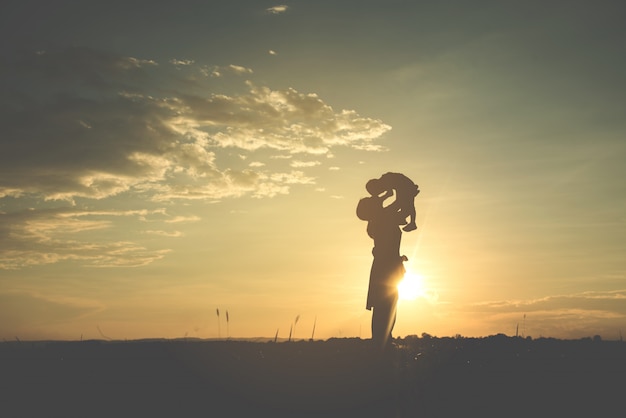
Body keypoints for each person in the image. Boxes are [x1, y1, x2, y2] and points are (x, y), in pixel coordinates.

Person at [357, 192, 408, 352]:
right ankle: (382, 343)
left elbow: (389, 203)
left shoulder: (380, 219)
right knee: (385, 305)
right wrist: (406, 192)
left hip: (387, 265)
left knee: (386, 304)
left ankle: (382, 341)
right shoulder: (383, 218)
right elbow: (399, 203)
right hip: (386, 266)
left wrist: (385, 194)